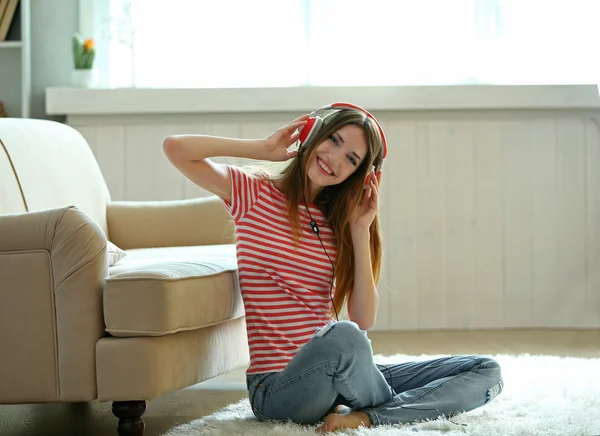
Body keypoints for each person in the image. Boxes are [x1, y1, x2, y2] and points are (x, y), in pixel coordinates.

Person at [163, 103, 504, 433]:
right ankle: (393, 412)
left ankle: (369, 419)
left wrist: (359, 230)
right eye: (334, 141)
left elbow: (363, 319)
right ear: (313, 132)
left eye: (351, 159)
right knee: (344, 337)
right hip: (277, 389)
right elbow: (176, 148)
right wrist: (265, 148)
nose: (334, 159)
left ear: (359, 175)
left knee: (485, 369)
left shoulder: (339, 222)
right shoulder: (253, 193)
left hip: (340, 369)